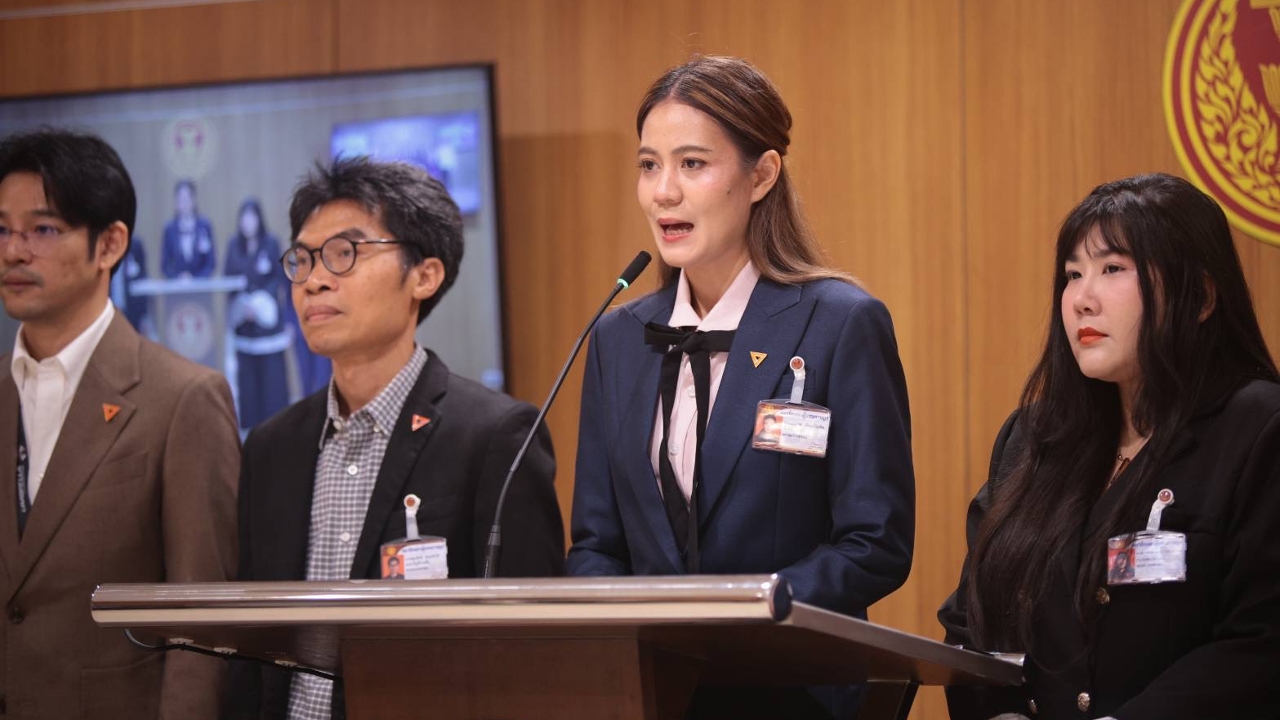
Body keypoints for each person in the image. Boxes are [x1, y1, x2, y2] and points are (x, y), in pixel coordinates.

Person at [565, 56, 915, 720]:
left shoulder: (840, 323)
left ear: (762, 175)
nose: (663, 192)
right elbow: (596, 546)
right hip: (653, 696)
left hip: (794, 696)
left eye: (692, 164)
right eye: (648, 165)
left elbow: (876, 543)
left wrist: (744, 613)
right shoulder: (615, 340)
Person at [228, 157, 564, 720]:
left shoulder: (494, 436)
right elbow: (249, 648)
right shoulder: (271, 446)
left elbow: (528, 653)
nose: (314, 279)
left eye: (345, 253)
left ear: (424, 275)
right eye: (303, 259)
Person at [938, 174, 1280, 720]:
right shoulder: (1030, 437)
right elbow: (971, 623)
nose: (1081, 300)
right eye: (1073, 274)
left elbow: (1262, 641)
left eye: (1113, 269)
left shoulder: (1258, 426)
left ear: (1202, 297)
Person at [0, 129, 239, 718]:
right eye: (3, 228)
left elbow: (201, 624)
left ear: (109, 244)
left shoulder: (183, 398)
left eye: (43, 230)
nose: (13, 251)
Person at [223, 198, 290, 430]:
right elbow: (229, 280)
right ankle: (251, 431)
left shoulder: (270, 243)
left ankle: (277, 427)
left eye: (252, 217)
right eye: (244, 217)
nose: (248, 222)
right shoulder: (234, 246)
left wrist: (260, 302)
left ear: (259, 219)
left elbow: (278, 280)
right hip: (244, 326)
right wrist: (244, 305)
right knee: (248, 384)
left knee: (272, 383)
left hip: (268, 327)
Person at [160, 179, 216, 279]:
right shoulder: (169, 229)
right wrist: (178, 278)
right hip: (176, 289)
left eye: (187, 198)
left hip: (202, 288)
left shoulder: (204, 226)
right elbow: (165, 266)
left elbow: (210, 263)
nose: (184, 203)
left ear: (194, 200)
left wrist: (195, 278)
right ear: (176, 202)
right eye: (181, 199)